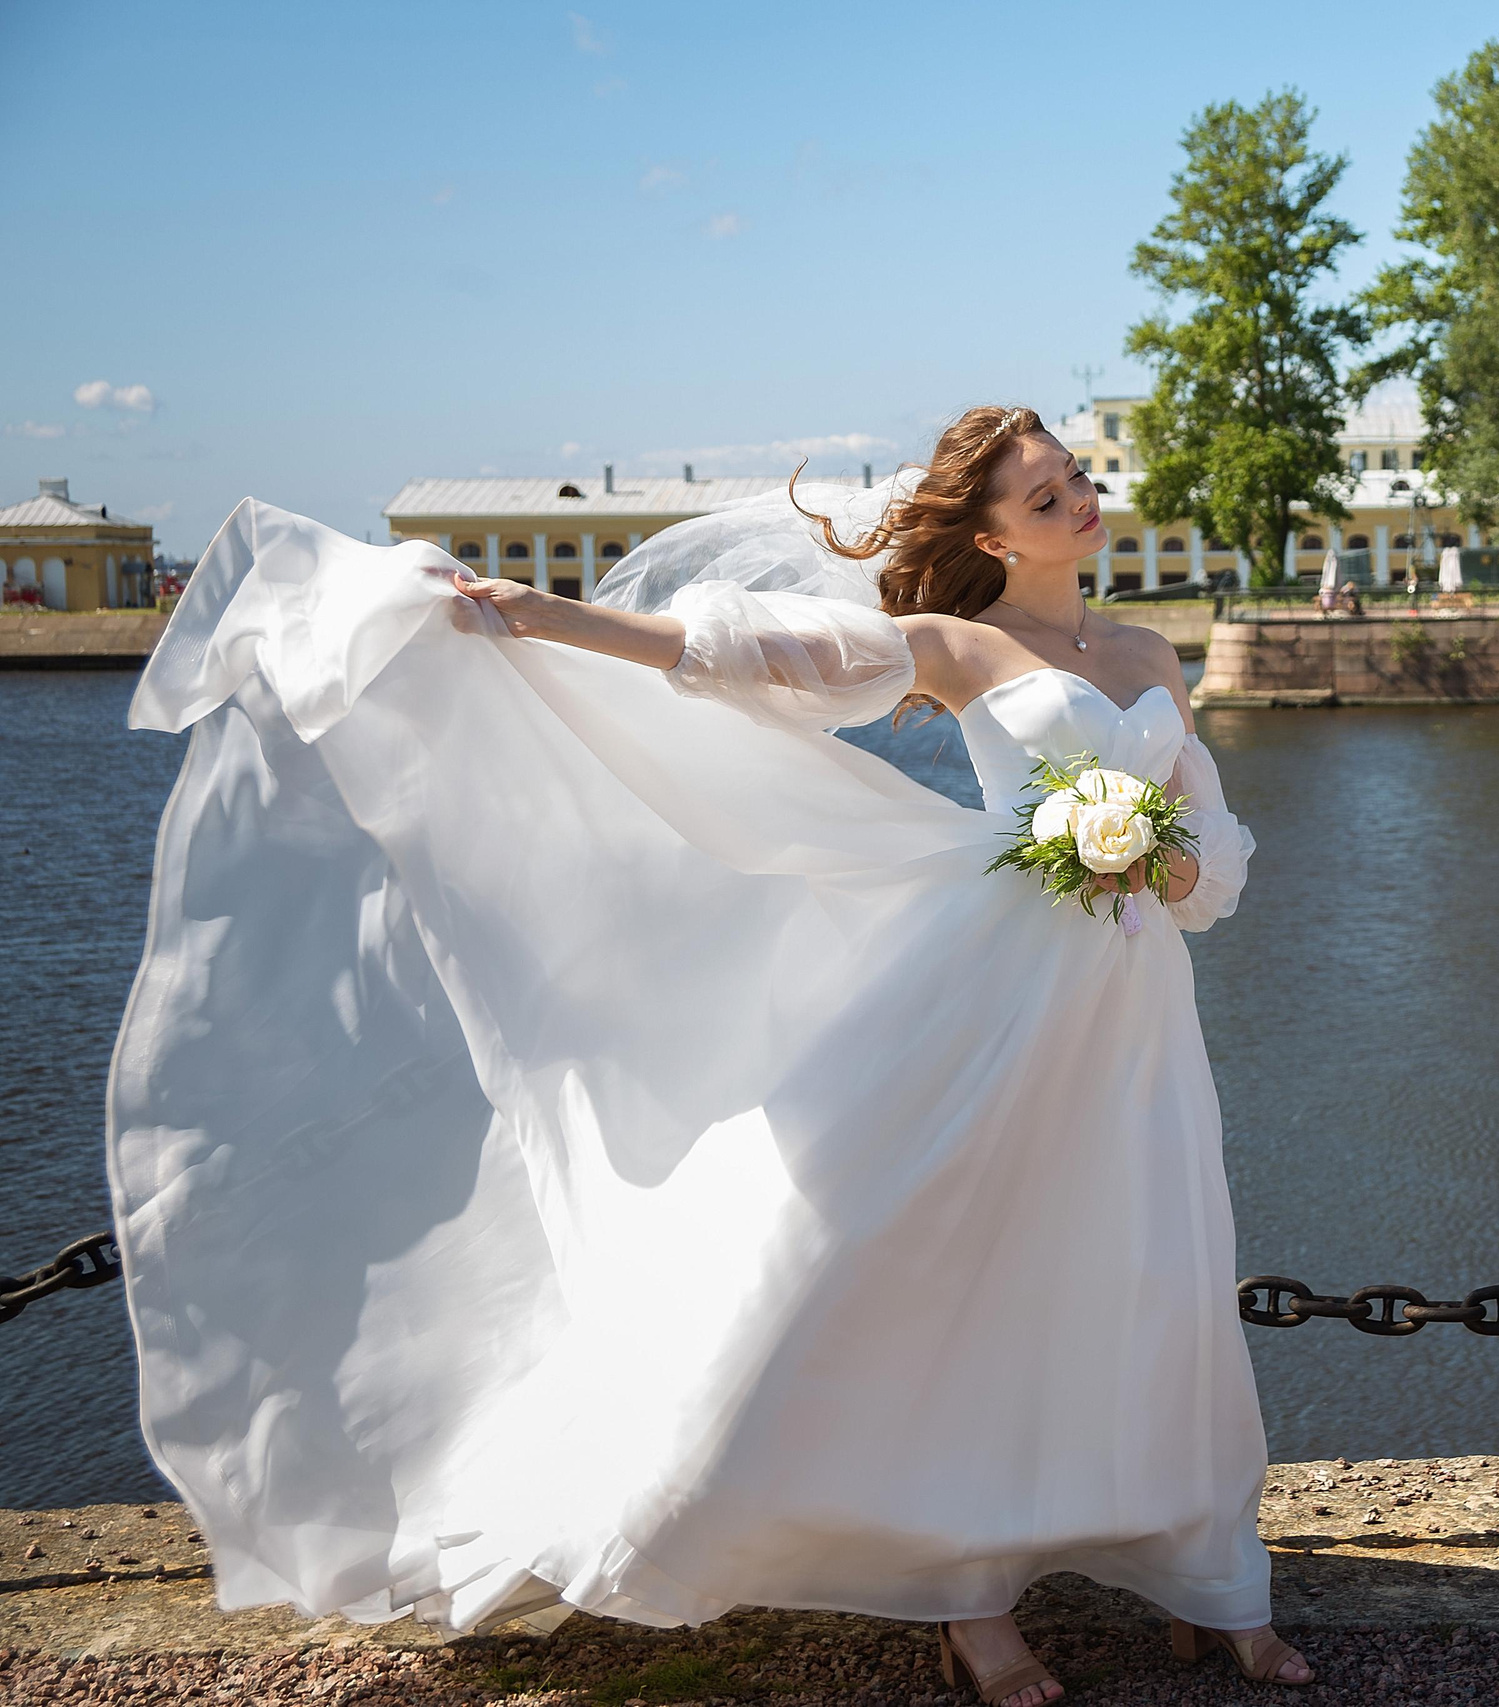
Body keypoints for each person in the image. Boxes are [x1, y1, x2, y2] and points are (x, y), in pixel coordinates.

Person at [109, 407, 1313, 1704]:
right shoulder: (956, 646)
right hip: (999, 990)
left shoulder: (1149, 651)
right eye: (1044, 494)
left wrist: (1171, 860)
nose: (1079, 498)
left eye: (1075, 476)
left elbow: (1210, 837)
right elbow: (749, 657)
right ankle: (968, 1595)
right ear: (989, 537)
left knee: (1154, 1259)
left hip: (1132, 999)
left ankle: (1208, 1578)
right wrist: (544, 616)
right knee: (940, 1261)